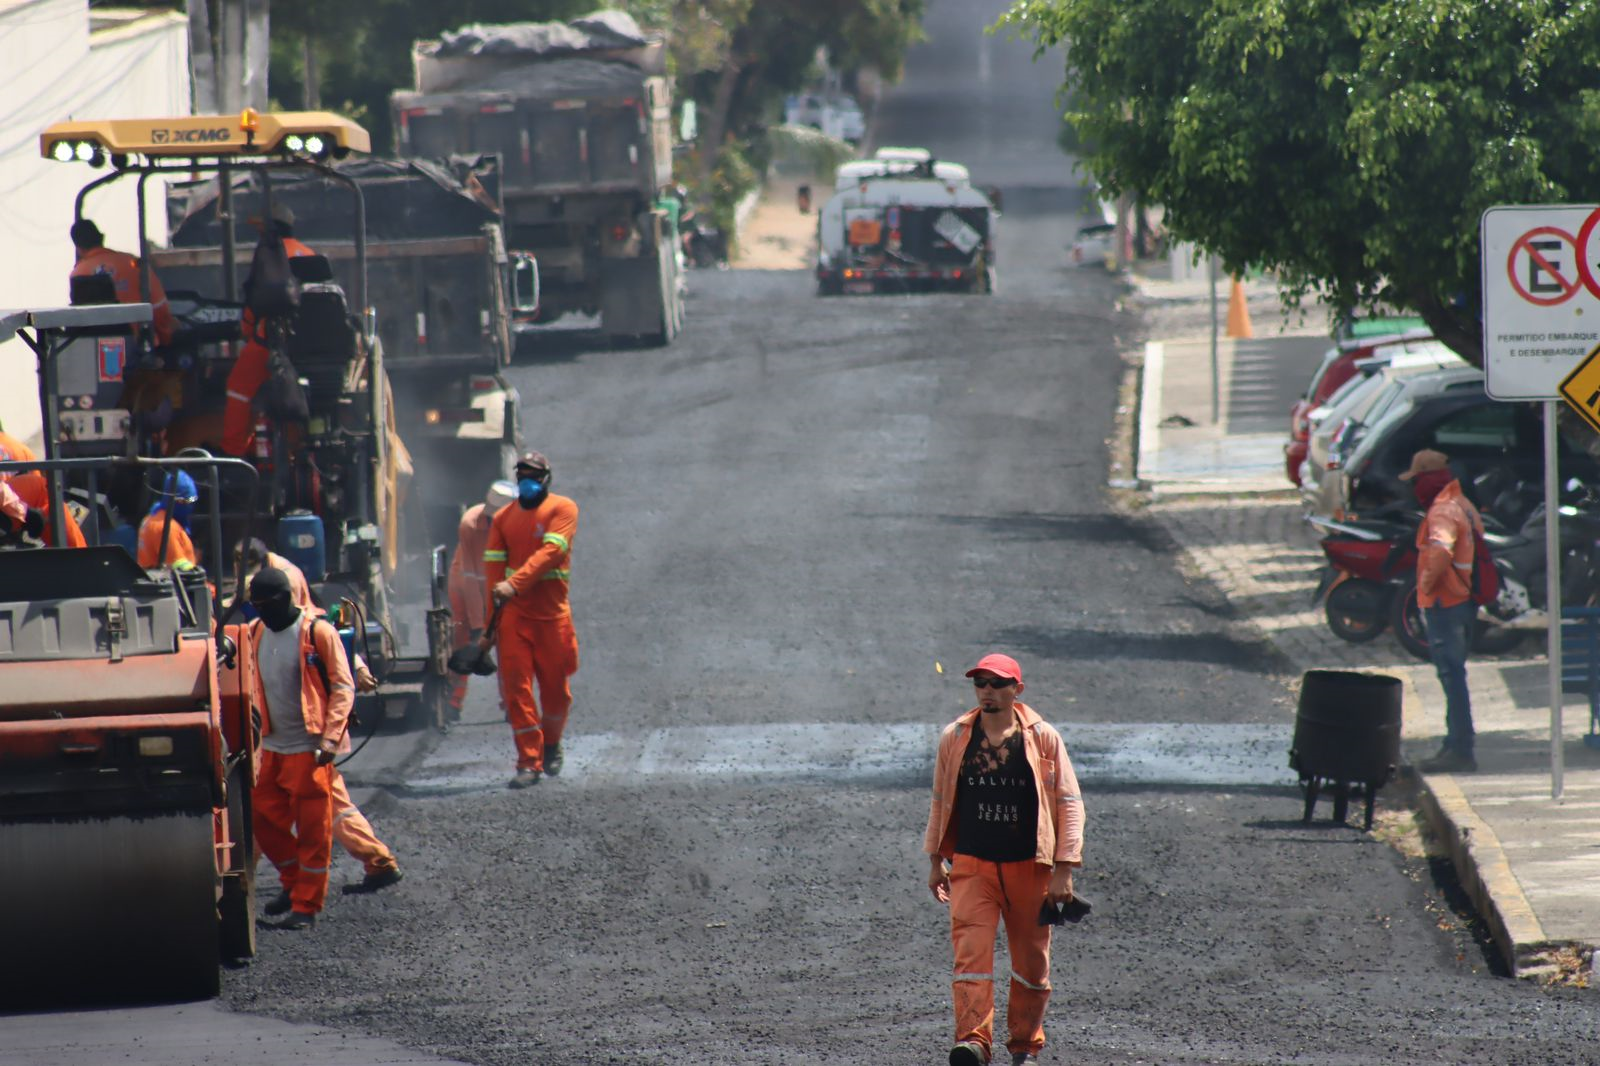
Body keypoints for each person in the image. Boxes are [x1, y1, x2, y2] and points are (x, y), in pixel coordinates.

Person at [925, 653, 1085, 1066]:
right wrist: (935, 860)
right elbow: (941, 800)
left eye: (997, 684)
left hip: (1030, 867)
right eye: (981, 684)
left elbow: (1069, 803)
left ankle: (1025, 1045)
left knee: (1031, 963)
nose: (988, 692)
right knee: (970, 956)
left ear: (1018, 689)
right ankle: (974, 1041)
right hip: (972, 865)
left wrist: (1064, 868)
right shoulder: (956, 736)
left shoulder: (1043, 738)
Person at [235, 538, 403, 899]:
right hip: (282, 732)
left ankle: (256, 879)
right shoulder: (263, 612)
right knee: (308, 805)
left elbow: (319, 633)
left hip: (305, 735)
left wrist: (354, 670)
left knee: (282, 810)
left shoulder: (286, 581)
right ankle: (376, 861)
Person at [247, 566, 355, 930]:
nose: (262, 611)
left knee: (313, 832)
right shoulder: (255, 632)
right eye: (256, 605)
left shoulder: (316, 632)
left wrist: (329, 739)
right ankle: (294, 884)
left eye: (267, 604)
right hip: (270, 747)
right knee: (261, 819)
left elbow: (343, 686)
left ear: (285, 599)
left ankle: (306, 907)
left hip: (309, 749)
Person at [483, 452, 579, 789]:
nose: (527, 480)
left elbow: (551, 552)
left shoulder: (563, 509)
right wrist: (488, 629)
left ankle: (551, 742)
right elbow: (493, 576)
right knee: (517, 691)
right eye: (522, 473)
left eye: (534, 474)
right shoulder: (503, 519)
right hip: (515, 618)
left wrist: (515, 583)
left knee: (557, 693)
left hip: (552, 620)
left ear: (546, 478)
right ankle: (529, 762)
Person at [1405, 449, 1483, 773]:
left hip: (1445, 603)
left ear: (1426, 480)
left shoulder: (1441, 512)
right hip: (1462, 600)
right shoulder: (1462, 502)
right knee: (1454, 674)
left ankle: (1459, 749)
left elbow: (1439, 551)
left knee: (1451, 675)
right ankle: (1455, 745)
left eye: (1416, 479)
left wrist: (1424, 582)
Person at [222, 203, 316, 457]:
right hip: (312, 346)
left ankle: (234, 453)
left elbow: (255, 302)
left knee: (238, 386)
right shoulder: (308, 254)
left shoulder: (269, 255)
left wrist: (245, 328)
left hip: (271, 342)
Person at [448, 480, 517, 719]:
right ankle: (452, 703)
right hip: (466, 585)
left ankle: (512, 703)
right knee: (464, 641)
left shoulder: (519, 525)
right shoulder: (470, 524)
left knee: (507, 643)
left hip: (499, 588)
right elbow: (470, 578)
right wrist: (479, 626)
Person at [69, 218, 175, 347]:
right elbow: (160, 312)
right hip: (137, 350)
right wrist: (166, 341)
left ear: (78, 247)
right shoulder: (134, 265)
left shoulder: (78, 274)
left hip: (90, 352)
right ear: (101, 238)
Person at [0, 428, 86, 548]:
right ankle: (78, 557)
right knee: (41, 489)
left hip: (7, 518)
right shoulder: (21, 449)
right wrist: (25, 512)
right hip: (8, 514)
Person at [137, 471, 200, 569]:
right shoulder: (166, 528)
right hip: (167, 582)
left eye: (193, 500)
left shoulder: (152, 516)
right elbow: (179, 570)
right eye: (186, 501)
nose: (190, 504)